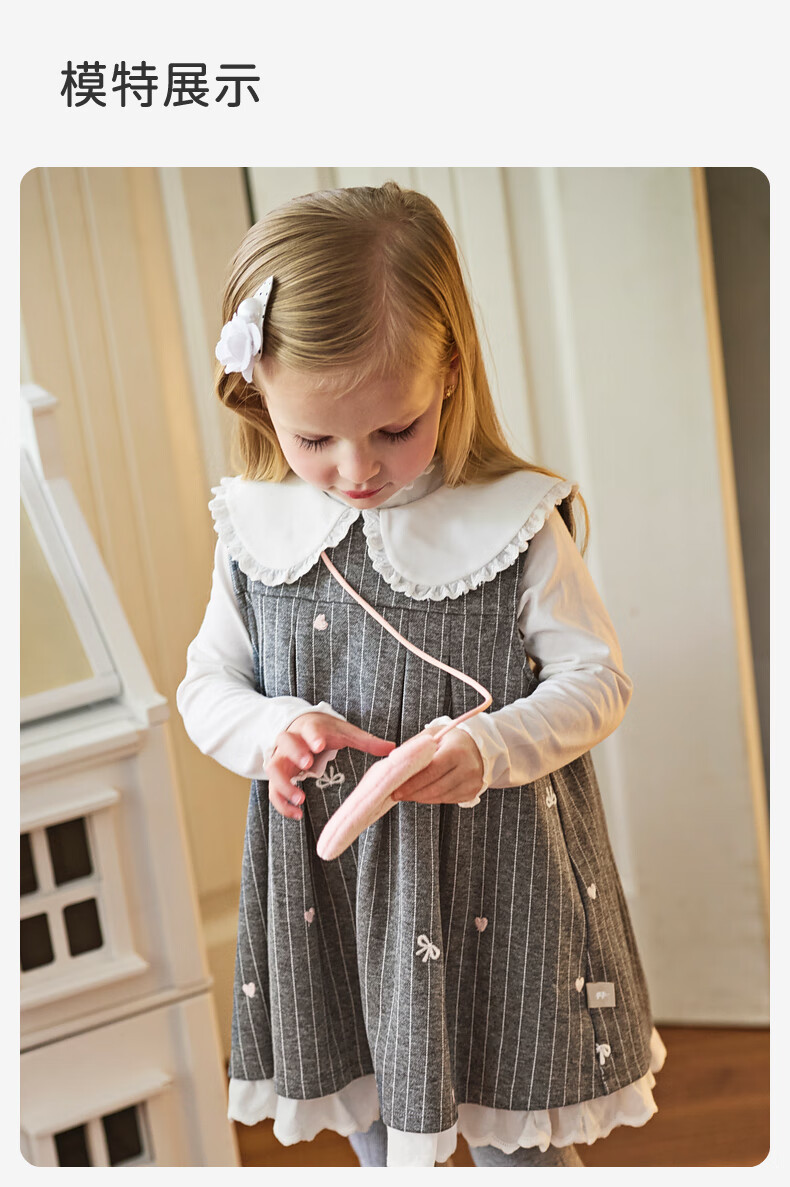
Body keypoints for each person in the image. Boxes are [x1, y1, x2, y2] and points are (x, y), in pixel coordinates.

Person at [176, 181, 667, 1168]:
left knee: (518, 1138)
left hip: (494, 879)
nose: (356, 469)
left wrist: (488, 746)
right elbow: (205, 685)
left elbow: (595, 679)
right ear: (256, 393)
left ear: (448, 373)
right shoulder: (257, 531)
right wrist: (274, 729)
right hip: (334, 892)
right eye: (314, 439)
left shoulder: (514, 523)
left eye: (393, 430)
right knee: (376, 1121)